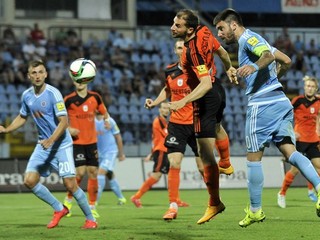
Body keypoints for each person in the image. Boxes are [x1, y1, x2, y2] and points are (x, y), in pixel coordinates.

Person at [213, 8, 320, 227]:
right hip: (280, 101)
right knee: (291, 152)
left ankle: (255, 210)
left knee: (253, 159)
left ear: (233, 25)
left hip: (261, 105)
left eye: (221, 29)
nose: (220, 34)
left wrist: (252, 67)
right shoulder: (256, 39)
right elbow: (286, 60)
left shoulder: (249, 38)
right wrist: (270, 78)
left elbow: (268, 56)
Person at [0, 60, 97, 229]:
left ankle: (91, 219)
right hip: (43, 145)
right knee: (29, 181)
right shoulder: (27, 96)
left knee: (70, 185)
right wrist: (7, 130)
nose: (37, 76)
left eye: (40, 72)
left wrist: (51, 140)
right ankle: (59, 208)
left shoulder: (54, 94)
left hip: (61, 145)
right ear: (28, 76)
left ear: (46, 74)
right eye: (34, 73)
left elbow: (64, 121)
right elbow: (22, 116)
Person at [145, 39, 234, 221]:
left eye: (184, 47)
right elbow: (167, 89)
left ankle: (214, 201)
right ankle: (172, 206)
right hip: (177, 125)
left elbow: (208, 83)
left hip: (195, 122)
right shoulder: (170, 71)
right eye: (178, 47)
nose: (181, 50)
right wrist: (155, 102)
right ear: (175, 50)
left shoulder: (197, 71)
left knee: (203, 167)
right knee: (174, 163)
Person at [169, 9, 237, 225]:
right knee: (217, 127)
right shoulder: (205, 32)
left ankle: (214, 202)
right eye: (173, 23)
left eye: (177, 26)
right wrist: (229, 69)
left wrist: (183, 101)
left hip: (205, 97)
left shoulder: (193, 50)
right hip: (219, 90)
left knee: (205, 155)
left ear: (189, 29)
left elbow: (204, 83)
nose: (173, 28)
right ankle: (226, 162)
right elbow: (224, 54)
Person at [63, 75, 110, 218]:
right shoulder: (68, 99)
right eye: (76, 80)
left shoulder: (95, 97)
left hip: (92, 142)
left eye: (82, 80)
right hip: (77, 142)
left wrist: (106, 120)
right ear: (73, 81)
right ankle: (68, 200)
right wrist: (69, 129)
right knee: (79, 173)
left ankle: (92, 206)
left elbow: (104, 112)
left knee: (93, 172)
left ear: (87, 81)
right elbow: (59, 119)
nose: (79, 83)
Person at [278, 76, 320, 208]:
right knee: (295, 170)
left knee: (319, 167)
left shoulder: (318, 101)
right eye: (308, 86)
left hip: (313, 139)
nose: (310, 88)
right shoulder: (298, 100)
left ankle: (313, 192)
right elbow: (285, 114)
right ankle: (282, 193)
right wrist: (291, 131)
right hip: (300, 139)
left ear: (316, 89)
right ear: (304, 87)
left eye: (312, 86)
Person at [131, 102, 174, 207]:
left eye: (167, 108)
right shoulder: (159, 121)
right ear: (159, 110)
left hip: (163, 150)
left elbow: (154, 139)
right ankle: (136, 197)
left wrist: (150, 154)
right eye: (164, 108)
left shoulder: (163, 121)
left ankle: (175, 200)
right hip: (161, 151)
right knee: (157, 175)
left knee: (172, 173)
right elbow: (168, 135)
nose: (166, 110)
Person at [95, 112, 127, 205]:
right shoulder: (91, 121)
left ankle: (94, 202)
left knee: (100, 173)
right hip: (99, 153)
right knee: (110, 174)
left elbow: (118, 137)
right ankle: (121, 198)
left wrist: (121, 154)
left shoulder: (109, 121)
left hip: (110, 151)